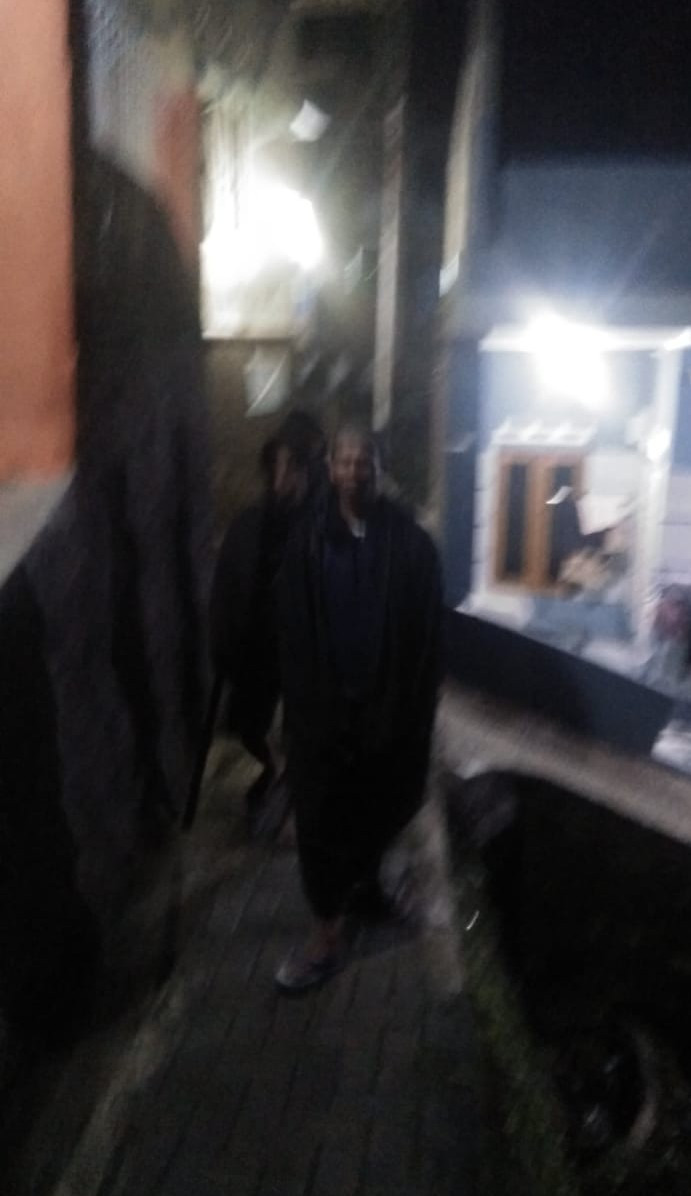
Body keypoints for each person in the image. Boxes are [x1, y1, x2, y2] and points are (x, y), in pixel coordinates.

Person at [275, 425, 442, 991]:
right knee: (321, 825)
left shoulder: (411, 544)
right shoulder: (307, 541)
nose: (354, 471)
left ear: (380, 468)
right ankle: (326, 936)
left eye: (364, 461)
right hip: (323, 717)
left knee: (382, 808)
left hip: (385, 714)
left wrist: (415, 709)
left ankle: (368, 893)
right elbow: (289, 632)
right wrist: (295, 713)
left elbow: (428, 638)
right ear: (330, 470)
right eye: (344, 461)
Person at [209, 411, 326, 828]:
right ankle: (276, 779)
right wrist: (224, 640)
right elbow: (229, 584)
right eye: (276, 464)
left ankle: (293, 801)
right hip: (258, 648)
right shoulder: (251, 524)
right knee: (251, 727)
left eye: (292, 466)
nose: (282, 477)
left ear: (310, 472)